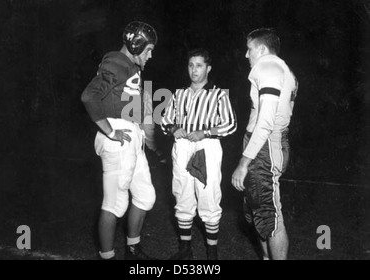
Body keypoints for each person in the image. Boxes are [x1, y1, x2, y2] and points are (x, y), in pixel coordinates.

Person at [81, 21, 158, 260]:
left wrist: (146, 131)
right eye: (148, 49)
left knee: (145, 196)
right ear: (136, 45)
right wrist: (110, 131)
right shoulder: (116, 63)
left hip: (131, 135)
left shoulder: (130, 66)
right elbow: (89, 96)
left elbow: (133, 106)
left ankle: (132, 250)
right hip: (118, 136)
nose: (151, 55)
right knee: (115, 204)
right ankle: (108, 256)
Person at [161, 49, 237, 260]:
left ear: (208, 68)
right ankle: (186, 250)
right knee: (182, 194)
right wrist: (174, 129)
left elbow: (230, 124)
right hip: (182, 147)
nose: (194, 70)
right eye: (191, 65)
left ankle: (211, 252)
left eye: (199, 65)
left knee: (209, 196)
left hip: (207, 147)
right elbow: (165, 121)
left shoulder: (218, 94)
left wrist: (205, 132)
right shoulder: (179, 94)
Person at [231, 28, 298, 260]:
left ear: (261, 49)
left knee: (269, 215)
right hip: (264, 145)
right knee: (257, 212)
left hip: (265, 148)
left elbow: (266, 121)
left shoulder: (267, 67)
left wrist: (244, 162)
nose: (246, 55)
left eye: (249, 49)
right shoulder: (280, 67)